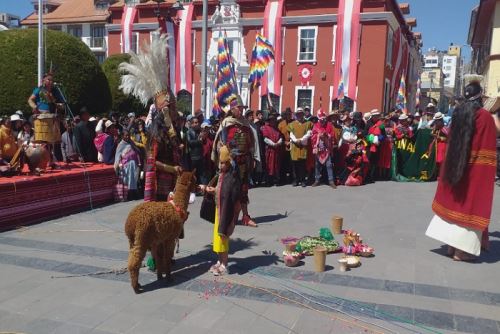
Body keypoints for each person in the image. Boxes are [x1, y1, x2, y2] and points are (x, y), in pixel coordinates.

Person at [426, 81, 497, 261]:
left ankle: (451, 247)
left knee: (455, 202)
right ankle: (461, 251)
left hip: (455, 167)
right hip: (475, 169)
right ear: (480, 97)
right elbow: (487, 150)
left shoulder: (458, 114)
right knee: (470, 205)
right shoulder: (485, 117)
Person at [212, 95, 258, 227]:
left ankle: (245, 216)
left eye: (243, 108)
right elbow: (219, 144)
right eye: (239, 108)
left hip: (244, 161)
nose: (242, 111)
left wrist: (252, 156)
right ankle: (226, 216)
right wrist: (224, 156)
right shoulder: (226, 123)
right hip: (230, 163)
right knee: (228, 190)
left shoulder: (246, 123)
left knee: (243, 190)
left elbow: (251, 142)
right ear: (232, 109)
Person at [201, 145, 241, 276]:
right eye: (220, 162)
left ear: (230, 162)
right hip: (219, 210)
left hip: (226, 212)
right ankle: (219, 261)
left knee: (223, 237)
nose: (220, 165)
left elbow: (230, 194)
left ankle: (225, 264)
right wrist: (211, 190)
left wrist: (213, 190)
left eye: (223, 163)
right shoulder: (222, 175)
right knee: (218, 237)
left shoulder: (232, 176)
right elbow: (220, 190)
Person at [311, 109, 337, 188]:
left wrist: (326, 135)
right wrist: (318, 135)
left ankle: (331, 181)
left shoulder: (329, 125)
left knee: (329, 165)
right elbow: (312, 136)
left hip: (327, 148)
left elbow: (332, 135)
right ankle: (317, 180)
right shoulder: (315, 126)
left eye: (323, 119)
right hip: (319, 149)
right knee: (317, 165)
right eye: (321, 119)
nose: (322, 121)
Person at [288, 107, 312, 187]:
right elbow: (291, 134)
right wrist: (295, 140)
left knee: (302, 165)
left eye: (301, 114)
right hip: (295, 147)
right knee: (294, 165)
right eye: (298, 114)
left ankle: (302, 180)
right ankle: (295, 180)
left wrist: (301, 140)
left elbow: (308, 133)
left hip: (303, 146)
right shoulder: (292, 124)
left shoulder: (308, 123)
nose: (300, 115)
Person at [115, 129, 141, 199]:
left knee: (134, 177)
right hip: (126, 166)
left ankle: (134, 191)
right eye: (126, 135)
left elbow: (137, 151)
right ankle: (130, 193)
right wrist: (116, 167)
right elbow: (117, 157)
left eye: (128, 135)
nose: (127, 137)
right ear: (122, 136)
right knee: (130, 177)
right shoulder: (120, 145)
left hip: (134, 165)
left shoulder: (131, 143)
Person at [260, 112, 283, 186]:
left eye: (274, 120)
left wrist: (278, 143)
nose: (273, 121)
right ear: (269, 121)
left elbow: (281, 137)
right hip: (269, 150)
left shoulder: (277, 129)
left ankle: (276, 180)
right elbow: (265, 139)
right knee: (269, 165)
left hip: (276, 150)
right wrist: (273, 144)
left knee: (276, 165)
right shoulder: (265, 128)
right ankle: (268, 181)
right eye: (271, 120)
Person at [187, 115, 204, 185]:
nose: (197, 124)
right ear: (191, 124)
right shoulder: (189, 132)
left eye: (197, 122)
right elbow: (189, 142)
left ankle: (199, 189)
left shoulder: (199, 131)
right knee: (193, 174)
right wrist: (199, 141)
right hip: (193, 157)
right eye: (195, 122)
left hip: (200, 157)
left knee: (200, 174)